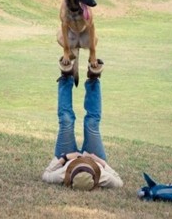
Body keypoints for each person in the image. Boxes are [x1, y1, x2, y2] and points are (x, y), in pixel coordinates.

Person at [42, 58, 123, 191]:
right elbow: (119, 182)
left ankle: (66, 75)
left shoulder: (63, 174)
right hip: (95, 158)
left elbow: (46, 175)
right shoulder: (102, 176)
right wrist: (95, 159)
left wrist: (66, 157)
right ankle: (93, 78)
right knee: (92, 123)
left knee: (66, 121)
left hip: (66, 156)